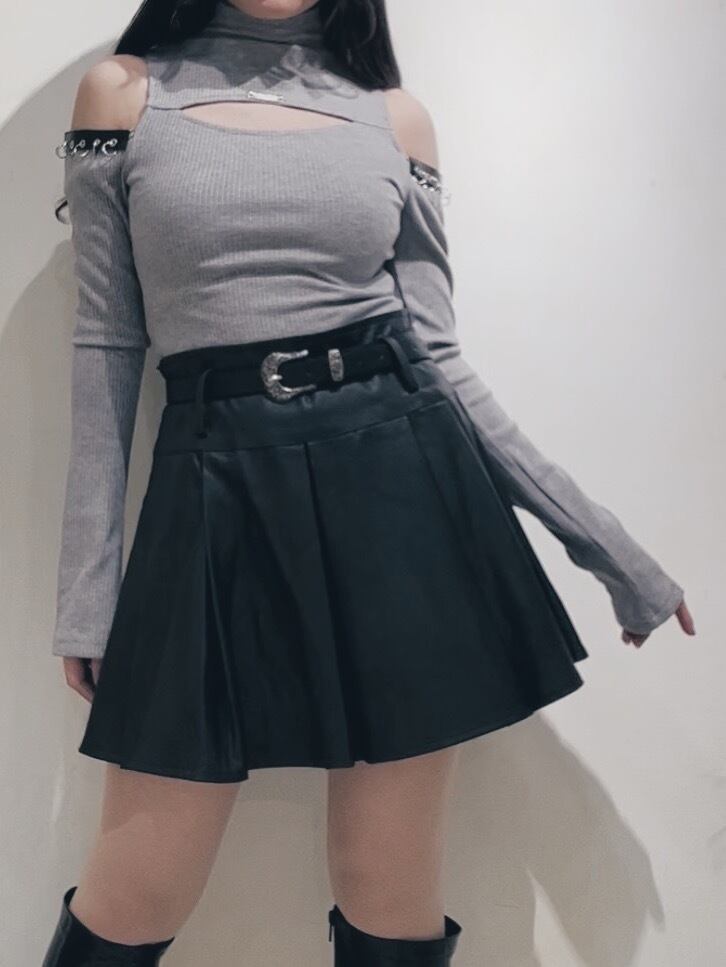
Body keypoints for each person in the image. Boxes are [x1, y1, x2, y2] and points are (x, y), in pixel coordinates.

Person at [43, 1, 694, 963]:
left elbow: (438, 358)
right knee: (136, 885)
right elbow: (108, 344)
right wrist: (88, 592)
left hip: (399, 497)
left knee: (387, 884)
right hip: (213, 488)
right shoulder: (126, 95)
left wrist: (605, 545)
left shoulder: (393, 117)